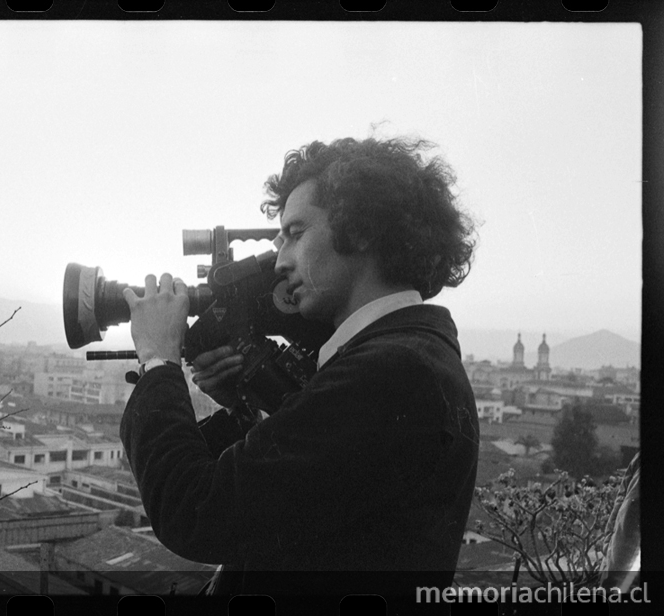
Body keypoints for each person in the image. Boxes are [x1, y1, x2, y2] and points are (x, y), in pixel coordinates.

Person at [119, 136, 479, 600]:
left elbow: (194, 511)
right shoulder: (406, 356)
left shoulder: (392, 372)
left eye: (295, 232)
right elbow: (303, 498)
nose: (281, 259)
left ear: (362, 229)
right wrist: (248, 404)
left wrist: (158, 359)